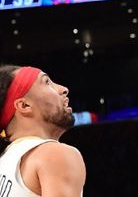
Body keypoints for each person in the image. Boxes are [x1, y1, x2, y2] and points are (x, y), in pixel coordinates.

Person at [0, 65, 85, 196]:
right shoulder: (54, 154)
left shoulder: (4, 161)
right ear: (24, 105)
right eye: (47, 82)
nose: (63, 89)